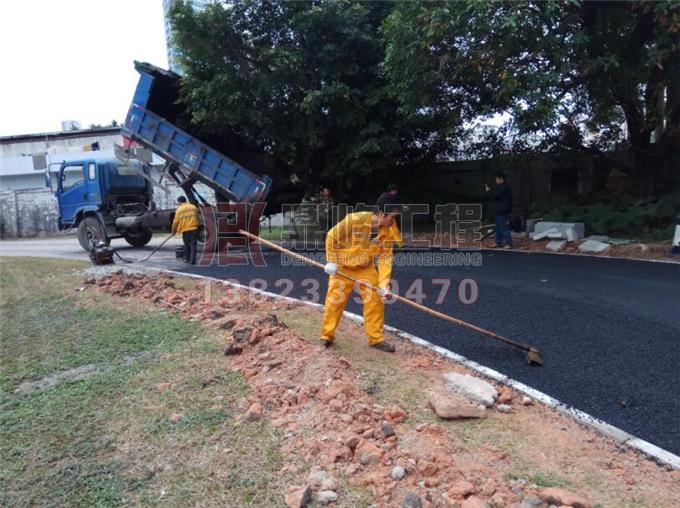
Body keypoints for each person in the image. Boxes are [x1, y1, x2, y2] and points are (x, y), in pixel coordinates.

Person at [321, 194, 403, 352]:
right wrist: (331, 260)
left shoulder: (388, 232)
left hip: (365, 269)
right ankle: (327, 335)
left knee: (375, 301)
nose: (394, 222)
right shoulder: (354, 219)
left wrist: (384, 285)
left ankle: (376, 339)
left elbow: (385, 258)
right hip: (341, 268)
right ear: (381, 214)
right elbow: (331, 236)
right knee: (334, 302)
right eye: (392, 217)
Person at [485, 172, 513, 249]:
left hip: (502, 210)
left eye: (497, 179)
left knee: (503, 227)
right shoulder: (501, 187)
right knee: (498, 228)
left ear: (501, 179)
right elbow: (495, 195)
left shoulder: (504, 188)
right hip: (500, 210)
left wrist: (488, 191)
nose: (496, 181)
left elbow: (495, 196)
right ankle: (498, 242)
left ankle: (509, 243)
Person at [171, 196, 200, 264]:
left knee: (186, 245)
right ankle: (193, 260)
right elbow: (197, 217)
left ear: (180, 202)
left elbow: (175, 222)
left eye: (178, 203)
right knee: (193, 245)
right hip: (194, 228)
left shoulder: (179, 210)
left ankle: (187, 259)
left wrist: (173, 231)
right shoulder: (193, 207)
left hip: (185, 229)